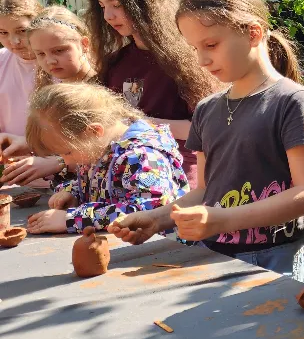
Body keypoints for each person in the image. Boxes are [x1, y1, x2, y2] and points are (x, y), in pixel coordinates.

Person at [109, 0, 304, 282]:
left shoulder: (293, 102)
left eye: (210, 45)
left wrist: (223, 220)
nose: (201, 60)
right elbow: (204, 191)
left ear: (253, 33)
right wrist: (157, 220)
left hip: (276, 258)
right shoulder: (206, 109)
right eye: (194, 48)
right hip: (214, 256)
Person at [86, 0, 219, 189]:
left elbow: (205, 129)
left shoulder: (187, 59)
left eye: (116, 4)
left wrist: (140, 124)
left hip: (176, 176)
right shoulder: (115, 62)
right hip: (125, 177)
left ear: (143, 2)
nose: (108, 15)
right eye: (102, 6)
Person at [23, 82, 189, 234]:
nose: (65, 161)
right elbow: (103, 182)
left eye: (67, 152)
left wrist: (73, 219)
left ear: (94, 131)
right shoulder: (99, 147)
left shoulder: (143, 156)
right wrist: (73, 192)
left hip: (159, 249)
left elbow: (149, 210)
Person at [1, 7, 97, 186]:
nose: (50, 61)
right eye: (41, 54)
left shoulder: (104, 86)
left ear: (84, 44)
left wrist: (58, 163)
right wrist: (29, 145)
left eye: (59, 51)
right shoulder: (56, 90)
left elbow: (110, 147)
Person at [0, 0, 44, 162]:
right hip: (10, 165)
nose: (14, 41)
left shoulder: (58, 62)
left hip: (55, 166)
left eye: (22, 30)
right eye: (3, 33)